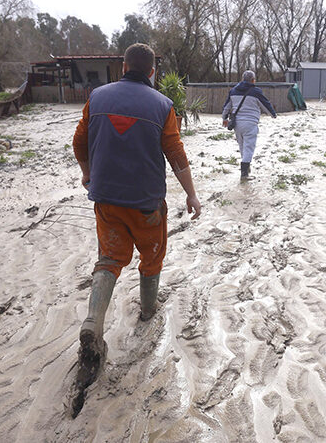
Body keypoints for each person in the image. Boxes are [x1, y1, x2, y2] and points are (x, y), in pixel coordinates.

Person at [72, 43, 202, 378]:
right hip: (147, 204)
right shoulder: (162, 105)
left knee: (110, 260)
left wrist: (88, 173)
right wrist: (192, 195)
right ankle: (148, 311)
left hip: (107, 200)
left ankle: (92, 322)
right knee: (151, 255)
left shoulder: (97, 97)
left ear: (123, 66)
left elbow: (79, 142)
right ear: (152, 72)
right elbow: (175, 154)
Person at [222, 70, 277, 181]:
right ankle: (244, 174)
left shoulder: (233, 91)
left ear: (242, 79)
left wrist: (224, 118)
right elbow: (265, 104)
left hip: (237, 124)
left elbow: (227, 106)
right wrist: (273, 115)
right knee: (249, 148)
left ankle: (245, 168)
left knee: (242, 147)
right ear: (253, 80)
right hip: (250, 124)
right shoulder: (256, 92)